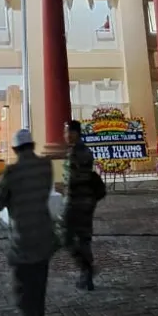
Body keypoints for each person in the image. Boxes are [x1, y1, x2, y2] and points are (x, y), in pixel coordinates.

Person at [0, 129, 55, 316]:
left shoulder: (11, 173)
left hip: (23, 244)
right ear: (33, 145)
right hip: (44, 240)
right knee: (38, 294)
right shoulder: (46, 166)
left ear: (15, 149)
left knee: (24, 297)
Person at [62, 120, 97, 291]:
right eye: (65, 132)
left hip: (78, 202)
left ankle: (87, 270)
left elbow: (76, 179)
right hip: (82, 201)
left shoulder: (79, 152)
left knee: (69, 237)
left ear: (76, 133)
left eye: (68, 131)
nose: (65, 135)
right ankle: (87, 272)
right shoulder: (76, 150)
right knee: (81, 238)